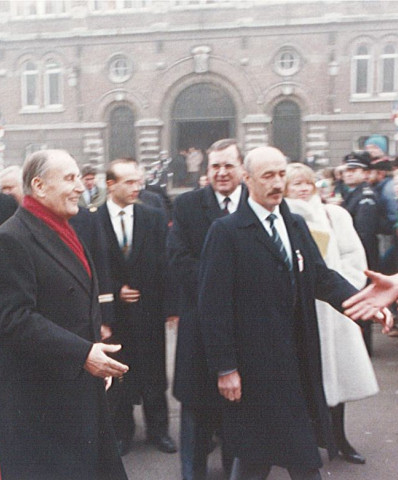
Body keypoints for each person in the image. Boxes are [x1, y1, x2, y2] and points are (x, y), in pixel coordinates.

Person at [198, 146, 390, 480]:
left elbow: (321, 278)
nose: (277, 182)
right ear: (247, 180)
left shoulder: (295, 224)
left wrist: (364, 305)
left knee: (289, 456)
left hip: (297, 362)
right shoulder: (227, 232)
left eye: (281, 173)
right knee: (260, 456)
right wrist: (225, 367)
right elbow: (213, 307)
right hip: (253, 367)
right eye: (267, 176)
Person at [0, 149, 129, 480]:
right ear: (38, 186)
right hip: (40, 404)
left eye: (79, 177)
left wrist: (91, 357)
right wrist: (84, 354)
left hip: (74, 389)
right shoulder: (11, 239)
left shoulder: (62, 227)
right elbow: (13, 320)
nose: (80, 186)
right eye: (69, 178)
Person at [285, 163, 379, 465]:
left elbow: (354, 254)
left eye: (307, 183)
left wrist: (346, 288)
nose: (302, 189)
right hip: (298, 309)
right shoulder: (282, 217)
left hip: (332, 308)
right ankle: (303, 442)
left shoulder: (334, 214)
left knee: (337, 374)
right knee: (300, 376)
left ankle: (338, 438)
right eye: (295, 183)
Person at [167, 138, 244, 480]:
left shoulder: (254, 205)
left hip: (244, 325)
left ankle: (237, 471)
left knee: (239, 409)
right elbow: (178, 259)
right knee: (196, 407)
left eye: (229, 165)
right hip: (199, 322)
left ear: (242, 168)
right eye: (216, 166)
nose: (222, 172)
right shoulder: (186, 206)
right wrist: (221, 283)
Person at [95, 158, 176, 457]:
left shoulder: (153, 217)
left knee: (154, 372)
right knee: (119, 375)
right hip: (113, 316)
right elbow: (94, 267)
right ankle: (122, 433)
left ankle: (159, 430)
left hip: (149, 309)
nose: (136, 188)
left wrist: (170, 306)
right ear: (110, 184)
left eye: (138, 181)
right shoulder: (92, 220)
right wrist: (116, 292)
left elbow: (165, 263)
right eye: (129, 182)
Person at [340, 151, 383, 355]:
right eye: (347, 170)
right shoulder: (354, 193)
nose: (349, 174)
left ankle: (364, 348)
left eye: (354, 170)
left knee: (364, 299)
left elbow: (364, 231)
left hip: (363, 256)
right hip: (358, 256)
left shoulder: (365, 196)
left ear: (366, 174)